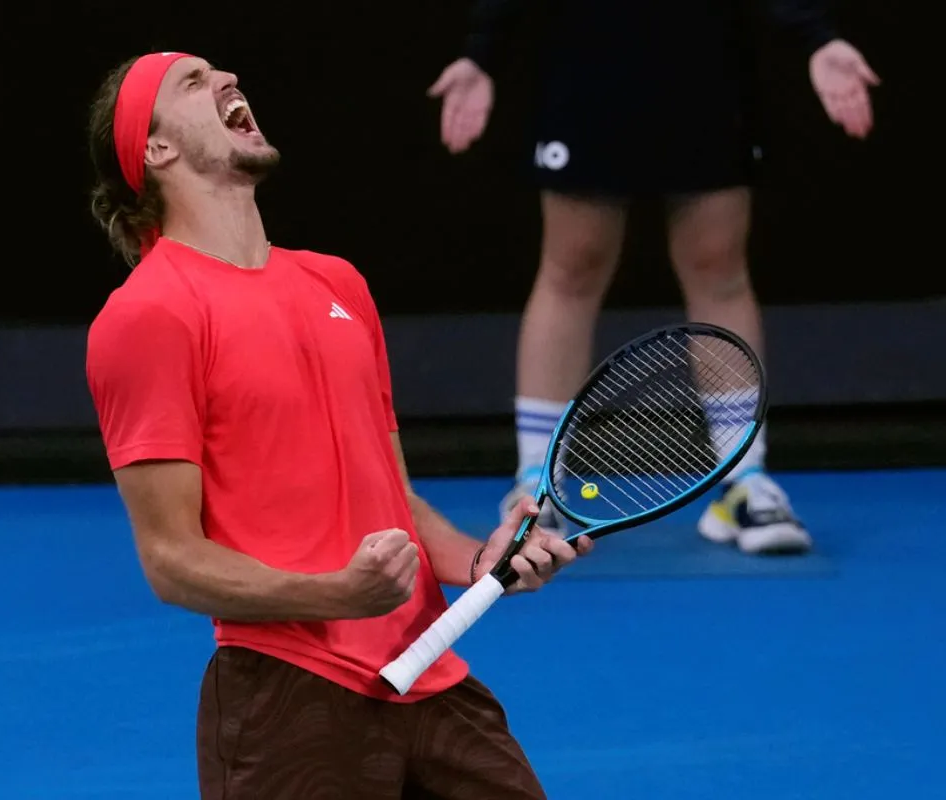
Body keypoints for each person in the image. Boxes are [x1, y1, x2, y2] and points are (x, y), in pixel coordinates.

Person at [83, 52, 593, 799]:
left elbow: (392, 500)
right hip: (287, 693)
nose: (227, 79)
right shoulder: (147, 315)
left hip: (431, 674)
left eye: (222, 71)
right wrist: (336, 595)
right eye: (192, 82)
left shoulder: (337, 283)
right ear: (155, 149)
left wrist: (478, 559)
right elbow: (171, 559)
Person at [429, 0, 880, 555]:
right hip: (589, 63)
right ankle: (537, 486)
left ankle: (744, 482)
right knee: (574, 264)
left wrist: (816, 36)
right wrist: (483, 52)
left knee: (717, 263)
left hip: (703, 62)